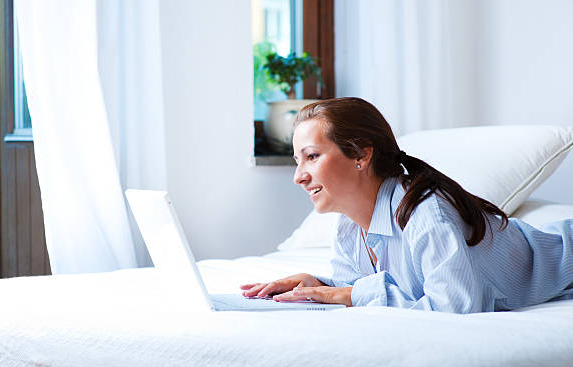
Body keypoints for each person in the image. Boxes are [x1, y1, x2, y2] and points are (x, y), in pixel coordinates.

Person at [241, 97, 573, 313]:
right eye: (298, 161)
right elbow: (359, 288)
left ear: (361, 154)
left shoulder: (426, 211)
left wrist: (349, 295)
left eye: (312, 157)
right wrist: (319, 286)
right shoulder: (348, 227)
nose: (299, 176)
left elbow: (456, 305)